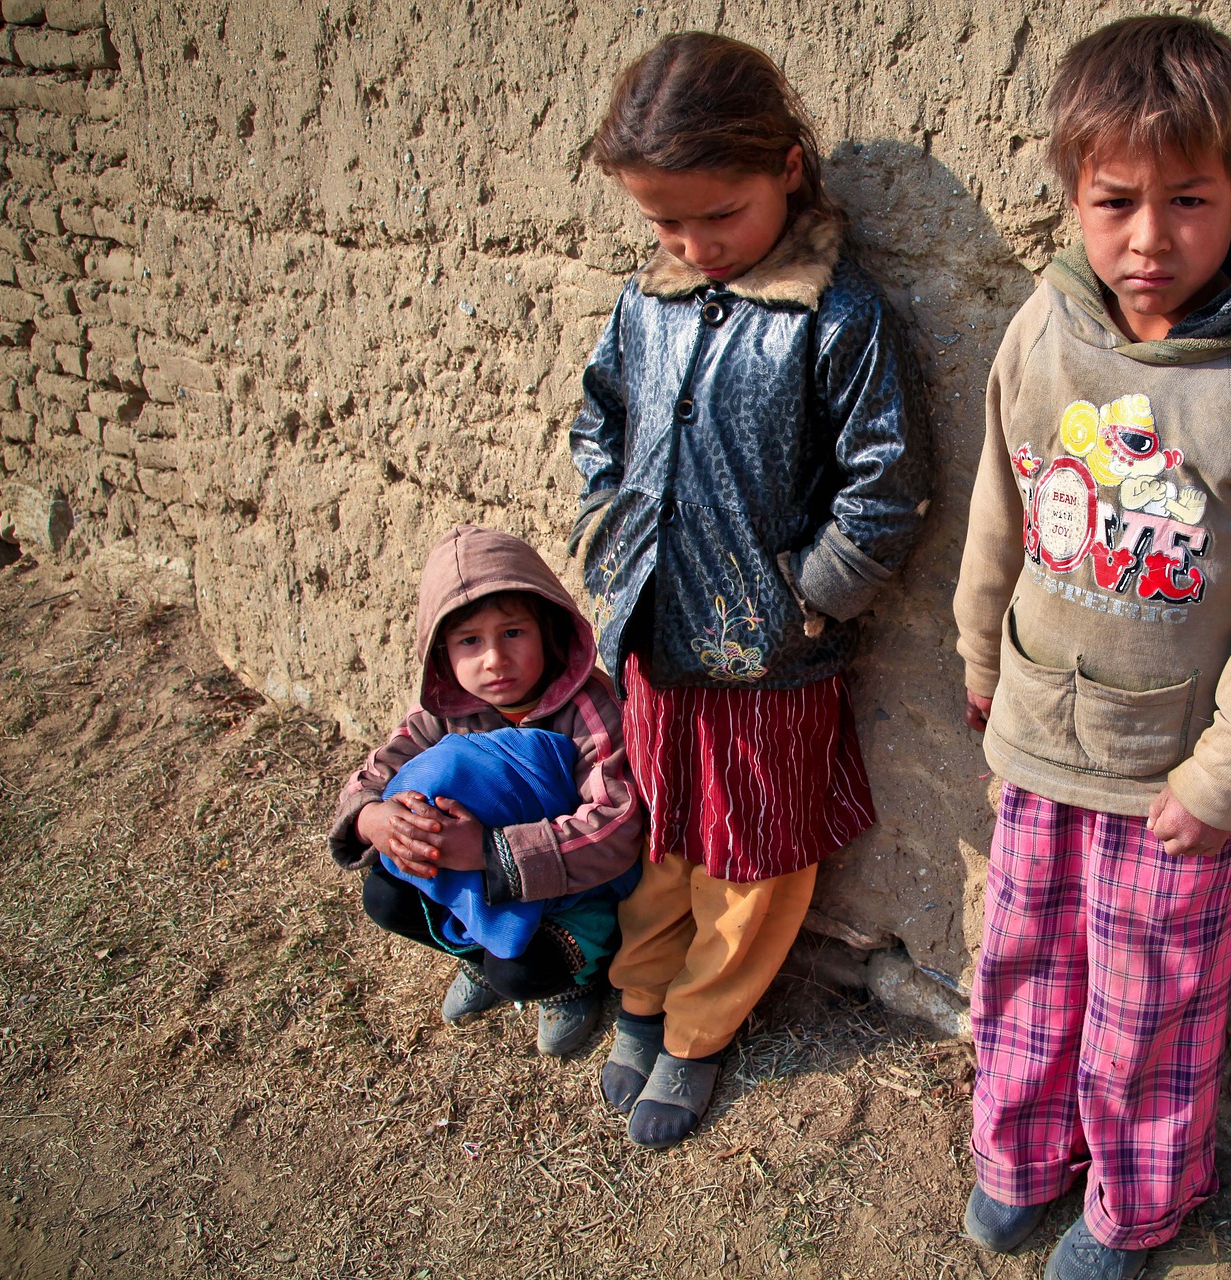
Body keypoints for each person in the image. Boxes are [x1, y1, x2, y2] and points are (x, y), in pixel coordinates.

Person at [952, 16, 1231, 1279]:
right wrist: (980, 656)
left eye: (1188, 199)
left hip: (1171, 781)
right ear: (1072, 196)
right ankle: (1018, 1156)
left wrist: (1226, 774)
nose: (1149, 238)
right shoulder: (1046, 328)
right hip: (1038, 736)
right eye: (1115, 200)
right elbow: (1001, 505)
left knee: (1149, 1009)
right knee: (1018, 960)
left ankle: (1132, 1206)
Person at [568, 31, 929, 1149]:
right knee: (662, 833)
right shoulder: (647, 304)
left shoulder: (838, 318)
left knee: (754, 859)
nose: (693, 244)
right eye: (665, 224)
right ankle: (640, 991)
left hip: (773, 652)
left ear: (785, 166)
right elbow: (601, 421)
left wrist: (808, 597)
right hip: (656, 634)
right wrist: (606, 525)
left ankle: (698, 1027)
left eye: (716, 215)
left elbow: (887, 484)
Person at [327, 525, 643, 1057]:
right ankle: (478, 957)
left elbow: (616, 823)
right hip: (483, 879)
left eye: (513, 633)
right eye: (470, 641)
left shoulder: (589, 709)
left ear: (547, 629)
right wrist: (371, 820)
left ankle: (574, 982)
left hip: (572, 889)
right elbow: (381, 768)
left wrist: (490, 852)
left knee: (520, 970)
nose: (494, 660)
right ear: (443, 653)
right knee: (383, 895)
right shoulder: (446, 709)